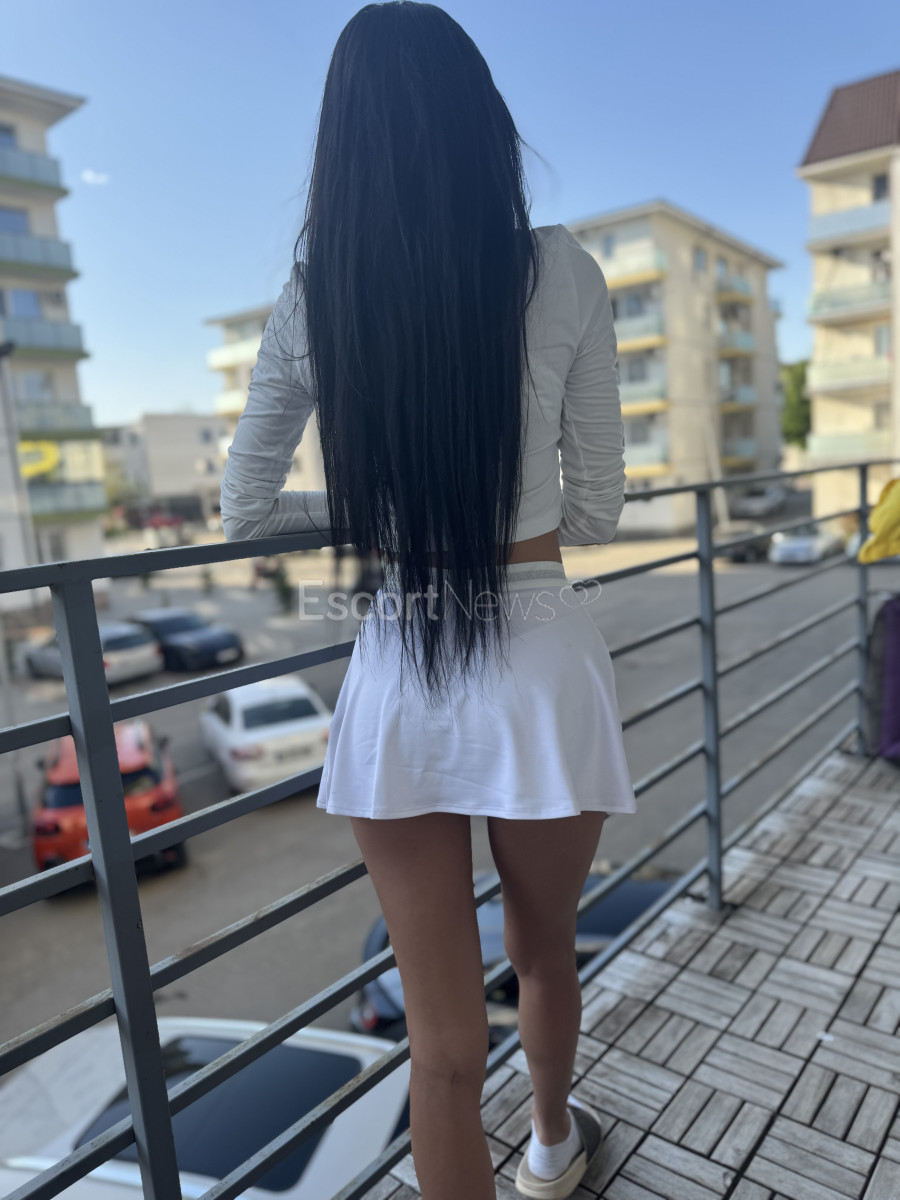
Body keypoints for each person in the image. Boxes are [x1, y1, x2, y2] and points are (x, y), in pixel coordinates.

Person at [219, 5, 636, 1197]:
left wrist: (384, 516)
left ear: (341, 146)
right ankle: (553, 1146)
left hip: (401, 672)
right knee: (544, 952)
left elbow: (245, 509)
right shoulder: (563, 268)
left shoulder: (317, 297)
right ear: (479, 123)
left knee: (442, 1045)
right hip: (541, 662)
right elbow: (599, 510)